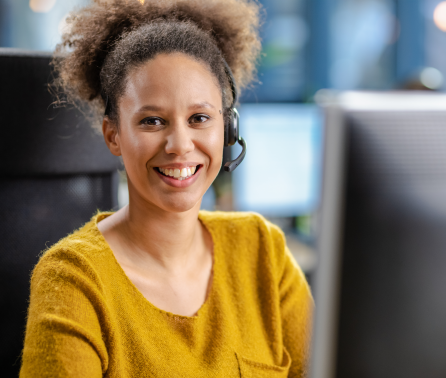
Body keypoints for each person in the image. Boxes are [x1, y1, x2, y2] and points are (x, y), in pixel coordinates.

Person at [19, 0, 313, 377]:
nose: (180, 144)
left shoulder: (262, 252)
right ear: (114, 135)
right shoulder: (74, 279)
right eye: (153, 121)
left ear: (228, 128)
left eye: (199, 118)